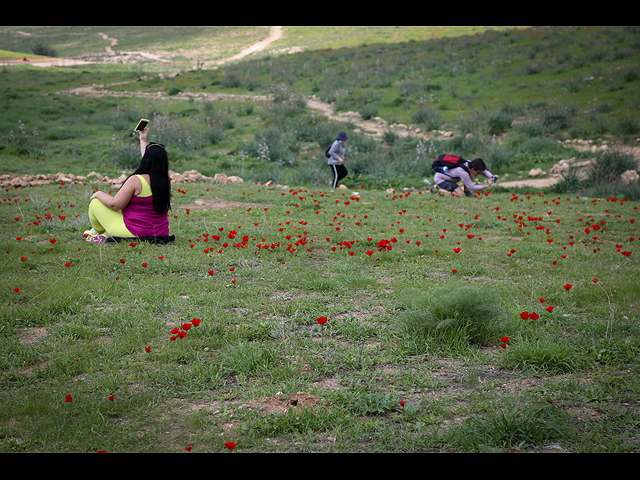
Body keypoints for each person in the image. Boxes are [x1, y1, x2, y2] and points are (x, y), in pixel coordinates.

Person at [84, 127, 173, 244]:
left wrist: (98, 193)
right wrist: (143, 140)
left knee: (95, 203)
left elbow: (115, 205)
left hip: (136, 232)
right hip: (161, 232)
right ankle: (105, 234)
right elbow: (150, 160)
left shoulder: (136, 180)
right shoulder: (164, 180)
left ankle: (98, 232)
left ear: (146, 160)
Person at [430, 157, 497, 197]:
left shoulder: (469, 163)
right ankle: (436, 189)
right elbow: (472, 187)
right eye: (478, 172)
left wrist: (492, 176)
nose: (479, 173)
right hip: (441, 179)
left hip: (449, 178)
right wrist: (487, 185)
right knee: (461, 195)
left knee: (471, 174)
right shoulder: (462, 172)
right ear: (473, 169)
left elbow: (484, 171)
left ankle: (466, 192)